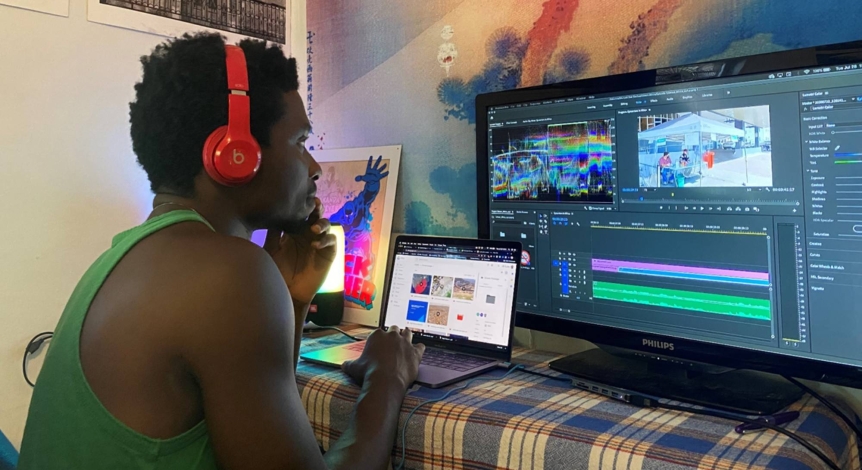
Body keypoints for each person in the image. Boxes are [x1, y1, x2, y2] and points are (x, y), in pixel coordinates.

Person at [17, 32, 424, 470]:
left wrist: (293, 299)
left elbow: (259, 425)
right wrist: (388, 377)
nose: (315, 167)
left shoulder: (129, 254)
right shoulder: (227, 275)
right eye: (301, 141)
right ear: (234, 154)